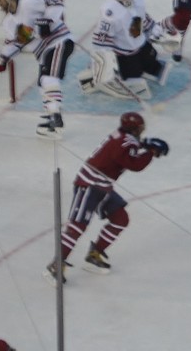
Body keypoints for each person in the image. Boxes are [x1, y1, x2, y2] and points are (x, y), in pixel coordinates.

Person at [44, 112, 168, 284]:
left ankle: (94, 254)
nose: (142, 131)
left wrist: (145, 145)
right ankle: (56, 265)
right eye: (140, 129)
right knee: (77, 226)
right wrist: (150, 152)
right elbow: (134, 164)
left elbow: (128, 147)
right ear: (134, 128)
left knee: (120, 219)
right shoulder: (125, 142)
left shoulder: (123, 136)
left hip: (102, 186)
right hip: (89, 185)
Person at [0, 0, 75, 138]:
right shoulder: (9, 22)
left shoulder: (29, 1)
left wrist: (47, 20)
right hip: (44, 51)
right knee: (43, 82)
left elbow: (56, 3)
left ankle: (56, 117)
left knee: (49, 78)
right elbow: (15, 42)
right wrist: (2, 59)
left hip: (59, 41)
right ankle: (52, 116)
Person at [79, 0, 174, 100]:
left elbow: (141, 18)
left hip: (140, 43)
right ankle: (96, 76)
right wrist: (103, 59)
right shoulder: (111, 13)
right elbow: (101, 39)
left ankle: (146, 68)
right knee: (132, 74)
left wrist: (154, 29)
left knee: (151, 60)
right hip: (124, 52)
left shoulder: (137, 1)